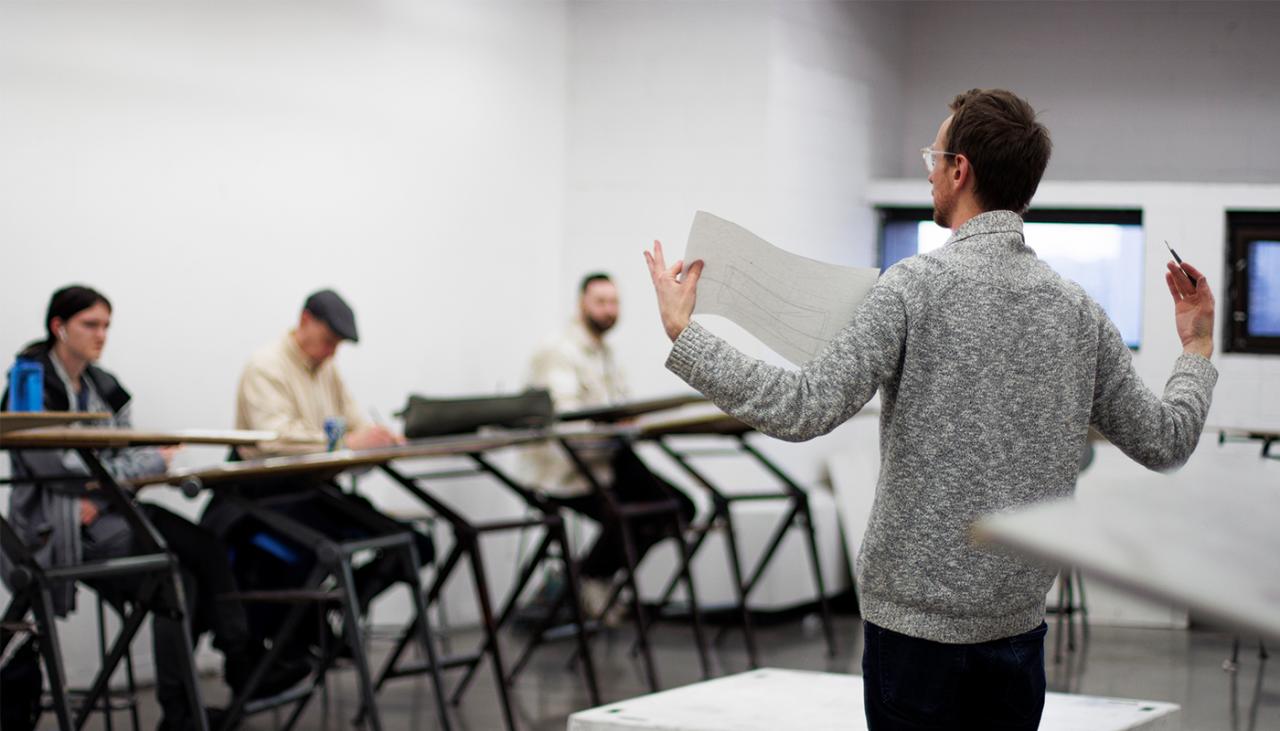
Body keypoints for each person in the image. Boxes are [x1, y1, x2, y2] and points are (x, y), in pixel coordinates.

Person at [644, 88, 1218, 729]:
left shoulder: (914, 285)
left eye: (934, 154)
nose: (927, 170)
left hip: (914, 640)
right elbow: (1167, 441)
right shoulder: (1078, 310)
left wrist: (686, 337)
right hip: (1017, 636)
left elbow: (802, 409)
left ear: (960, 169)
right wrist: (1195, 345)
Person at [0, 285, 307, 731]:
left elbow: (105, 464)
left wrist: (105, 484)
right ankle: (204, 694)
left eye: (106, 325)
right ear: (58, 326)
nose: (101, 335)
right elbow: (63, 467)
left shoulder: (103, 386)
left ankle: (218, 681)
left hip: (104, 513)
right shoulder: (28, 383)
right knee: (175, 582)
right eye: (90, 324)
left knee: (202, 552)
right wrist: (140, 463)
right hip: (58, 529)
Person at [200, 289, 433, 657]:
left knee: (413, 545)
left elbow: (353, 424)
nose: (331, 351)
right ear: (305, 320)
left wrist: (379, 438)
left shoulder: (327, 370)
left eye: (337, 345)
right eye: (328, 341)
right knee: (322, 554)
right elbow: (274, 439)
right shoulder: (266, 366)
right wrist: (350, 444)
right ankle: (311, 623)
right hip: (266, 495)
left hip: (313, 490)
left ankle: (326, 612)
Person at [526, 273, 695, 622]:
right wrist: (612, 426)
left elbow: (620, 407)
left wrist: (624, 424)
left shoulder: (607, 354)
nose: (608, 310)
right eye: (600, 302)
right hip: (567, 471)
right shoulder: (557, 351)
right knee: (635, 516)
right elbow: (566, 420)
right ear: (581, 305)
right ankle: (588, 579)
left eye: (614, 302)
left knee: (677, 510)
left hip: (608, 461)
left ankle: (592, 576)